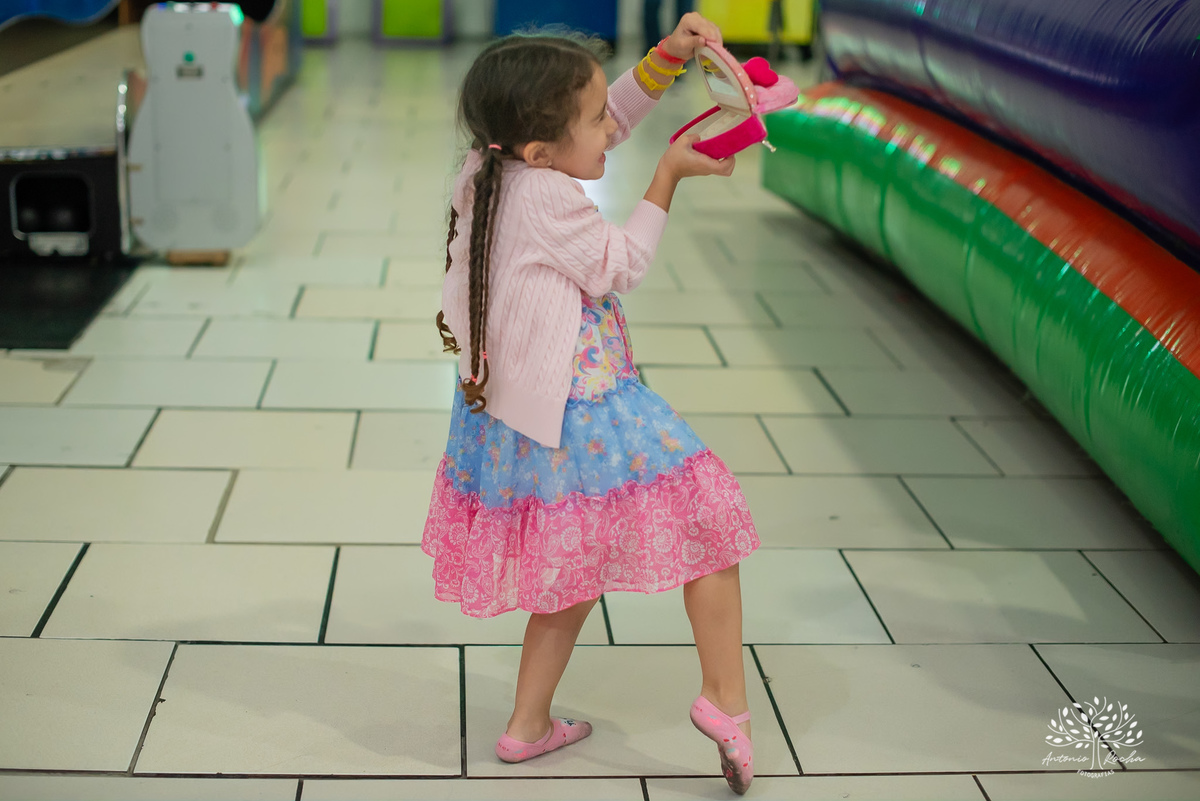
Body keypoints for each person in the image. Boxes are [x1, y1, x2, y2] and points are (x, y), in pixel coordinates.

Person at [422, 12, 760, 795]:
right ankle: (725, 699)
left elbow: (601, 120)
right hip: (585, 406)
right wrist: (667, 175)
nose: (612, 127)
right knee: (710, 522)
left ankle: (527, 726)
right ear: (543, 150)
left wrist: (666, 61)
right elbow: (624, 263)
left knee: (571, 565)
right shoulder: (550, 201)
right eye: (595, 118)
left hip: (521, 409)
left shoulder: (493, 162)